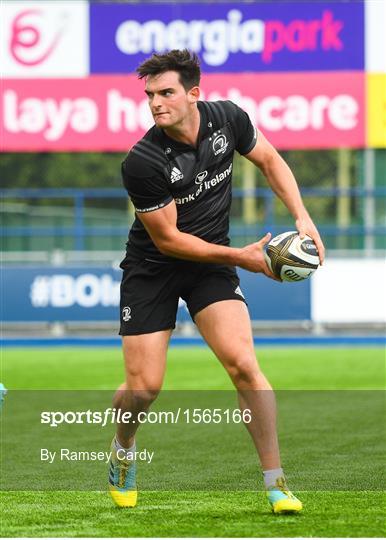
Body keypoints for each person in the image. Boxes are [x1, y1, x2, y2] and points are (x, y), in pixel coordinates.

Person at [108, 49, 325, 514]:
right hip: (153, 269)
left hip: (211, 265)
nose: (156, 103)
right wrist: (242, 258)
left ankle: (276, 482)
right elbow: (169, 241)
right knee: (144, 389)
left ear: (193, 94)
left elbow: (269, 160)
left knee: (245, 365)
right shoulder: (142, 160)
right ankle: (123, 449)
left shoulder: (228, 119)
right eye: (150, 95)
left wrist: (303, 219)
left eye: (166, 93)